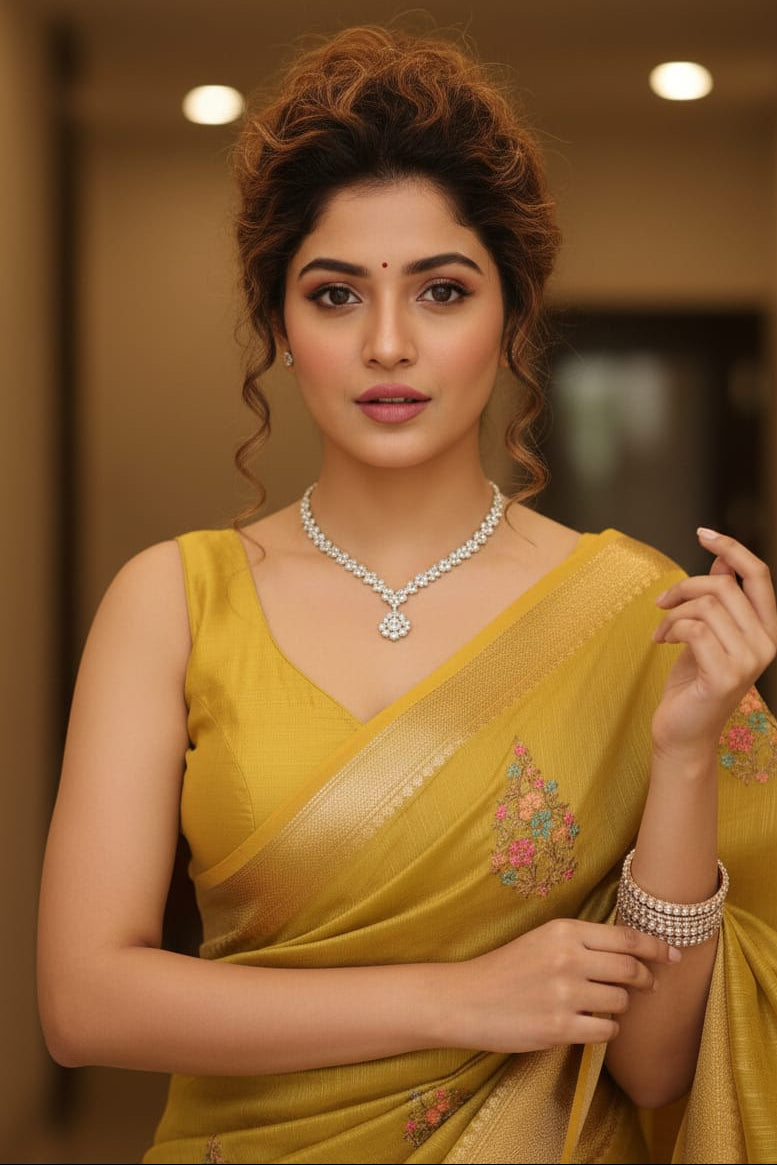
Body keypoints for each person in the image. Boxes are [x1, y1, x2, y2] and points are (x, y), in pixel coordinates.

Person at [36, 23, 777, 1165]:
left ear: (512, 315)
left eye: (441, 290)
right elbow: (84, 1004)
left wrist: (682, 754)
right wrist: (456, 997)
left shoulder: (634, 608)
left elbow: (654, 1067)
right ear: (280, 325)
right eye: (335, 296)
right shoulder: (175, 601)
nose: (389, 343)